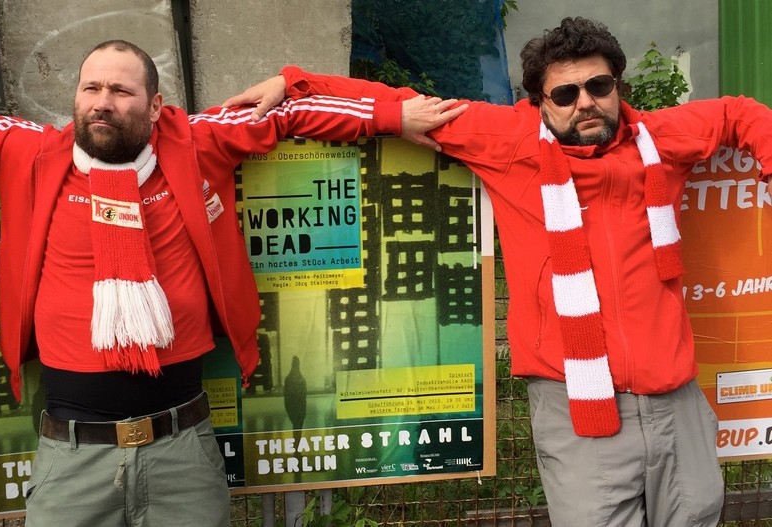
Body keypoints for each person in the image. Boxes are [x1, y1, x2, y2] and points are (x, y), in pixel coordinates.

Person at [223, 17, 772, 527]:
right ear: (539, 104)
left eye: (599, 87)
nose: (585, 103)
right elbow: (405, 104)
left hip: (676, 400)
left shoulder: (662, 139)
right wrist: (294, 83)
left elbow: (739, 113)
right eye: (565, 94)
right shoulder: (508, 141)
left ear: (617, 88)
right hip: (577, 406)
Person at [0, 40, 465, 526]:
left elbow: (292, 113)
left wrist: (393, 116)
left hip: (181, 452)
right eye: (90, 88)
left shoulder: (196, 142)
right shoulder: (33, 154)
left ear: (155, 104)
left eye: (121, 91)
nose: (102, 102)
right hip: (70, 457)